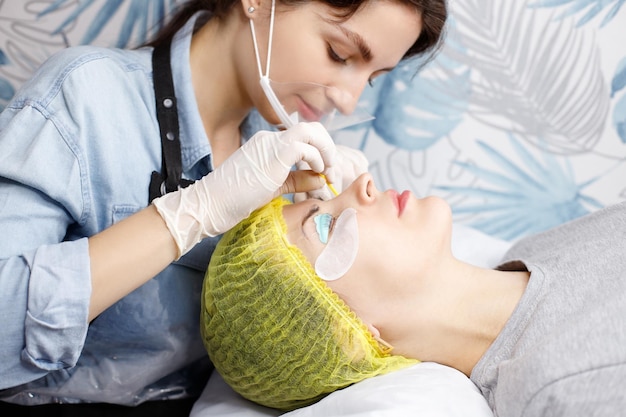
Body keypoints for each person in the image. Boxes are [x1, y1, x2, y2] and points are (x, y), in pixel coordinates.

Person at [0, 0, 448, 414]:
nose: (348, 101)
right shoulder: (86, 98)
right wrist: (190, 213)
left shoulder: (282, 163)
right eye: (339, 53)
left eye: (370, 78)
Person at [202, 172, 626, 415]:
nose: (362, 184)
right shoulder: (560, 388)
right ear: (350, 336)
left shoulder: (535, 250)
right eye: (326, 225)